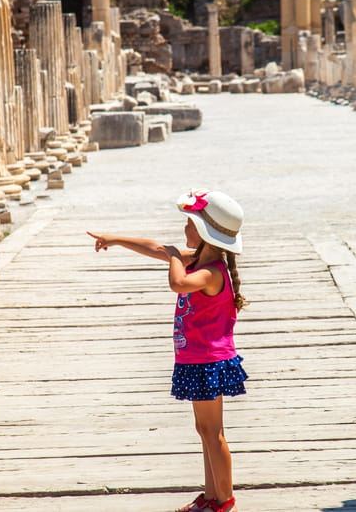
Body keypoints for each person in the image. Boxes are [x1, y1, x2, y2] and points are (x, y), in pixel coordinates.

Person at [87, 190, 247, 512]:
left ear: (203, 232)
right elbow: (155, 247)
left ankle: (225, 501)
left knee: (214, 433)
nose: (185, 226)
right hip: (195, 360)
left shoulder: (211, 271)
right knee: (204, 430)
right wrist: (114, 239)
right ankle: (211, 495)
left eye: (190, 221)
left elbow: (178, 283)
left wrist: (175, 255)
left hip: (208, 362)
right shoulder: (198, 259)